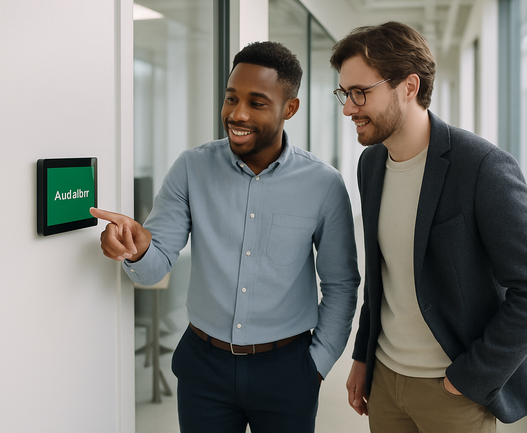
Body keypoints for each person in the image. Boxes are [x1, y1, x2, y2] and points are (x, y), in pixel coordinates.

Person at [91, 41, 360, 433]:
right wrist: (137, 248)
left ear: (290, 108)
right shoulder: (190, 168)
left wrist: (316, 365)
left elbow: (341, 285)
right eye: (231, 98)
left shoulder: (324, 184)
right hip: (204, 369)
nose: (237, 113)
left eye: (256, 102)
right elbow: (154, 265)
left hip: (287, 370)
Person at [329, 22, 527, 433]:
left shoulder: (482, 168)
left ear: (409, 86)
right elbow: (382, 277)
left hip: (452, 390)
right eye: (344, 94)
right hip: (384, 381)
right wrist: (363, 355)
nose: (348, 108)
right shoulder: (371, 165)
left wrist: (470, 376)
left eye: (360, 92)